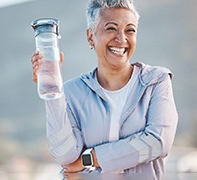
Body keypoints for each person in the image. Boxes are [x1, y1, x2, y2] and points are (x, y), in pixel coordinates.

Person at [31, 0, 178, 179]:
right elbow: (65, 155)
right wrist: (53, 92)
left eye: (130, 30)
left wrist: (91, 158)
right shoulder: (72, 91)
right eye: (111, 28)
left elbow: (157, 142)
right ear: (90, 36)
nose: (121, 39)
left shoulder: (155, 81)